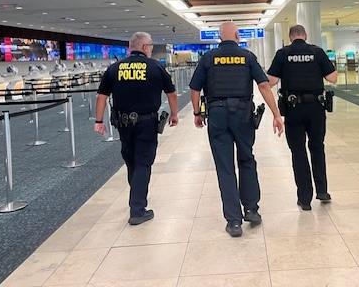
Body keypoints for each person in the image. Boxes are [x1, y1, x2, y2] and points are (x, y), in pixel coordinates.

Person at [189, 21, 284, 238]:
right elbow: (263, 85)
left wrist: (197, 113)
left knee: (225, 167)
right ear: (238, 35)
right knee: (247, 160)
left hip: (217, 114)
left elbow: (194, 88)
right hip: (242, 114)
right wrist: (276, 114)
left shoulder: (208, 58)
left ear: (220, 37)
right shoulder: (247, 56)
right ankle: (251, 210)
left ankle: (233, 221)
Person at [94, 32, 179, 225]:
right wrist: (174, 114)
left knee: (131, 160)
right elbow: (171, 93)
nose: (151, 49)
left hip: (123, 123)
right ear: (144, 47)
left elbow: (101, 96)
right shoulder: (155, 66)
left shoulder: (115, 68)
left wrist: (99, 121)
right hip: (146, 122)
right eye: (150, 45)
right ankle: (137, 210)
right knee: (143, 162)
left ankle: (136, 195)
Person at [267, 24, 337, 210]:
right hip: (316, 108)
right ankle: (322, 191)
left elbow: (271, 81)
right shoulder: (318, 52)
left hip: (293, 109)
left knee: (298, 151)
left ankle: (304, 199)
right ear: (305, 35)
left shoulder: (283, 54)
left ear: (290, 37)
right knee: (317, 147)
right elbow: (333, 78)